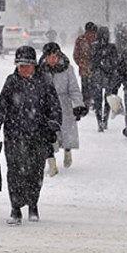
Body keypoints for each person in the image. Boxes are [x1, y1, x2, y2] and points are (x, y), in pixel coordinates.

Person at [0, 46, 62, 225]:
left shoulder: (44, 81)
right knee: (15, 172)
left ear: (34, 65)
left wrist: (53, 127)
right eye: (20, 66)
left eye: (26, 65)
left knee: (35, 172)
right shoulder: (11, 82)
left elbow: (54, 107)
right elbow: (1, 106)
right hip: (15, 135)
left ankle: (33, 205)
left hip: (38, 136)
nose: (23, 69)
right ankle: (15, 208)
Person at [38, 42, 88, 176]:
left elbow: (74, 89)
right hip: (47, 106)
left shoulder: (67, 69)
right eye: (49, 57)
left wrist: (78, 105)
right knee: (47, 134)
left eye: (54, 56)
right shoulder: (40, 70)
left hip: (63, 104)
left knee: (66, 132)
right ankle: (52, 163)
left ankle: (67, 150)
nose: (52, 60)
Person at [89, 25, 120, 132]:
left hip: (98, 76)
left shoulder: (94, 46)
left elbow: (92, 62)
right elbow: (115, 62)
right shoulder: (111, 47)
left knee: (99, 100)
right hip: (108, 76)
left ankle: (100, 122)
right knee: (107, 99)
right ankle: (104, 120)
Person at [73, 21, 98, 109]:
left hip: (84, 68)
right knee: (94, 86)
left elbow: (76, 54)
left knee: (85, 87)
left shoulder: (80, 39)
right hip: (95, 68)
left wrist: (80, 63)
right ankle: (94, 103)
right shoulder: (96, 39)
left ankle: (86, 103)